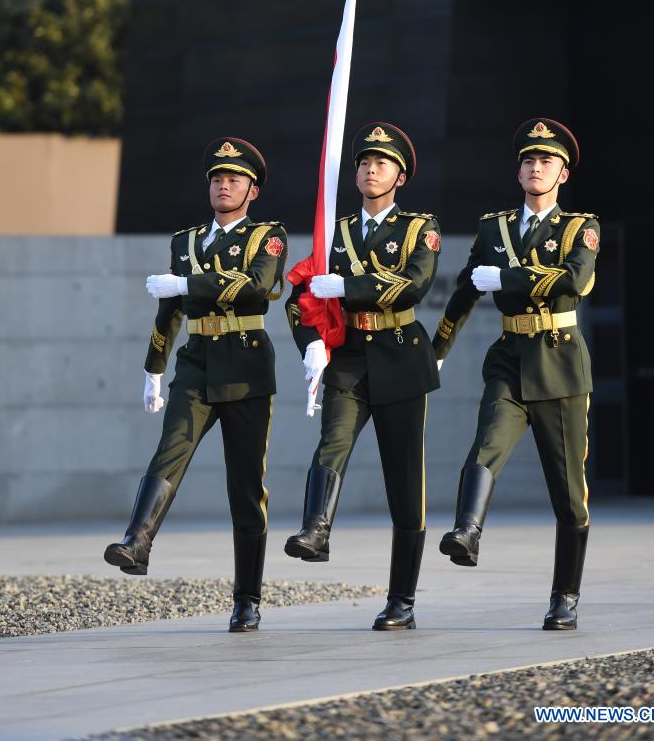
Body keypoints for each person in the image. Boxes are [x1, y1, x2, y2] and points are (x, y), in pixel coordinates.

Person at [103, 137, 287, 633]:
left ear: (252, 190)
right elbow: (169, 310)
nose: (223, 184)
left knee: (246, 488)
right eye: (216, 178)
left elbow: (257, 285)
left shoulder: (267, 236)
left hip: (247, 367)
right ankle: (137, 542)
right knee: (170, 449)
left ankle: (247, 599)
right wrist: (154, 368)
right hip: (197, 364)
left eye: (233, 179)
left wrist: (188, 285)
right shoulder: (184, 241)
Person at [434, 118, 599, 630]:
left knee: (568, 493)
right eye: (528, 160)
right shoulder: (494, 228)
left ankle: (565, 595)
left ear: (562, 174)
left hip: (560, 363)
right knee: (486, 443)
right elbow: (465, 289)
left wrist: (506, 276)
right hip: (509, 357)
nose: (535, 167)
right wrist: (438, 347)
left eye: (546, 161)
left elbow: (574, 279)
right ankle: (467, 530)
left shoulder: (580, 228)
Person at [284, 123, 441, 630]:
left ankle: (402, 601)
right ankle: (316, 530)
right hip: (348, 355)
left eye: (382, 164)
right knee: (331, 444)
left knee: (403, 482)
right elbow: (299, 299)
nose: (371, 170)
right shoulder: (334, 232)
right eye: (364, 163)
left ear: (400, 176)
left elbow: (411, 284)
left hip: (399, 356)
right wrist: (309, 345)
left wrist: (347, 286)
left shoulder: (420, 228)